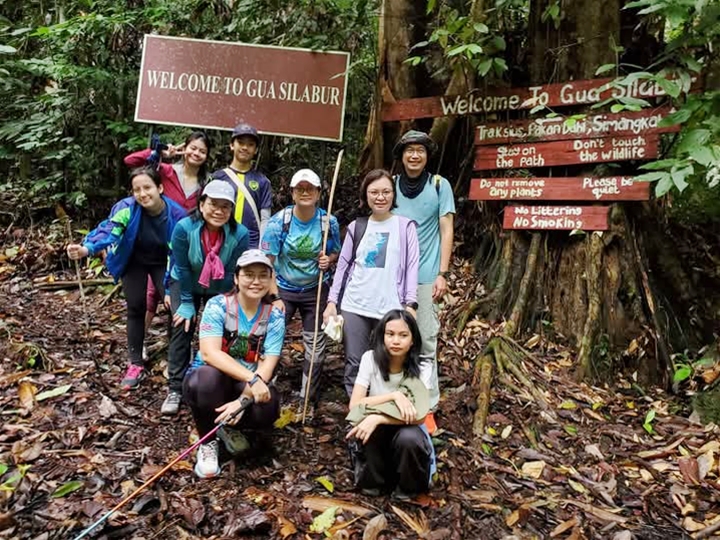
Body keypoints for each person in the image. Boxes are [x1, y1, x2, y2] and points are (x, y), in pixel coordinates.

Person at [66, 167, 187, 389]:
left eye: (147, 188)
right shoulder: (127, 209)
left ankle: (175, 359)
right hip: (134, 259)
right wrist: (86, 249)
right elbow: (109, 231)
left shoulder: (177, 215)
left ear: (160, 188)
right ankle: (135, 363)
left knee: (176, 308)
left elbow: (179, 254)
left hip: (165, 262)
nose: (142, 194)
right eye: (137, 190)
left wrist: (169, 289)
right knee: (136, 306)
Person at [184, 249, 285, 478]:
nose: (255, 281)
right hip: (209, 383)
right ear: (237, 278)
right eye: (249, 274)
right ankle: (207, 440)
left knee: (267, 403)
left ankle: (229, 429)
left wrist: (241, 401)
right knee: (208, 379)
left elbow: (268, 366)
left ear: (271, 281)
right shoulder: (218, 306)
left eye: (263, 275)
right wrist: (252, 378)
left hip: (244, 388)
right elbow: (210, 353)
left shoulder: (275, 316)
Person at [323, 169, 419, 396]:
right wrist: (331, 302)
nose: (380, 197)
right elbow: (343, 267)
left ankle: (383, 412)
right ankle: (355, 413)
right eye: (374, 192)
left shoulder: (405, 227)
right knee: (354, 362)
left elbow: (412, 268)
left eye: (386, 191)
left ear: (393, 195)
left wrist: (411, 304)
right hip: (355, 305)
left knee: (389, 360)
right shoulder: (357, 227)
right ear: (365, 195)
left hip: (390, 307)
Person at [163, 180, 250, 415]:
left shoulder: (238, 234)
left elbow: (234, 271)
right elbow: (180, 267)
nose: (219, 211)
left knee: (221, 331)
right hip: (185, 281)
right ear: (202, 204)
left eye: (225, 206)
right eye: (213, 204)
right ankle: (175, 387)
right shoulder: (184, 228)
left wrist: (223, 305)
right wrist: (188, 302)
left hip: (221, 285)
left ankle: (218, 378)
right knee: (183, 325)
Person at [124, 131, 212, 360]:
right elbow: (131, 162)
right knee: (150, 295)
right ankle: (139, 343)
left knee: (178, 296)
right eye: (193, 148)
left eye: (202, 151)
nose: (196, 153)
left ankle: (179, 348)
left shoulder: (206, 183)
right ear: (186, 148)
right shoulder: (166, 170)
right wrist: (157, 153)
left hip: (183, 244)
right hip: (155, 238)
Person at [261, 169, 340, 412]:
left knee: (315, 344)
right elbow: (267, 262)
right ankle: (264, 389)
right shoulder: (279, 222)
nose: (305, 193)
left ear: (318, 193)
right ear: (293, 193)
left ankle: (308, 398)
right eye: (300, 189)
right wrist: (274, 297)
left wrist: (329, 259)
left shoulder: (328, 222)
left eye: (310, 189)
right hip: (283, 287)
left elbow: (336, 251)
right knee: (271, 338)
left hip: (315, 289)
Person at [392, 130, 455, 432]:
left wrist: (443, 272)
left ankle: (427, 406)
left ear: (427, 155)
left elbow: (446, 228)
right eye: (409, 150)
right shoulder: (389, 187)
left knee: (426, 342)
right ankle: (395, 398)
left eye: (420, 150)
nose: (414, 155)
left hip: (427, 276)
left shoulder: (440, 185)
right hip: (393, 279)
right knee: (393, 340)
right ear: (401, 155)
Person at [346, 309, 435, 499]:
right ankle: (372, 485)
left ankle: (408, 490)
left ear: (413, 340)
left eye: (403, 335)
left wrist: (378, 417)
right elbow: (355, 405)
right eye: (390, 334)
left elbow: (418, 416)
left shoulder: (423, 367)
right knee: (367, 428)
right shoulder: (370, 359)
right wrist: (393, 396)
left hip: (407, 428)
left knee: (408, 437)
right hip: (382, 433)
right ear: (382, 336)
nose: (396, 341)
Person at [212, 123, 272, 249]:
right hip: (221, 243)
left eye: (250, 144)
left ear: (255, 150)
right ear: (232, 145)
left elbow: (265, 219)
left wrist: (262, 248)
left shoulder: (262, 181)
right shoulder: (217, 177)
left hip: (251, 246)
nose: (245, 147)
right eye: (241, 142)